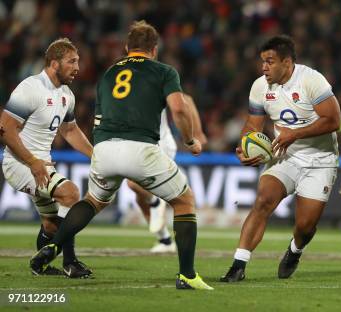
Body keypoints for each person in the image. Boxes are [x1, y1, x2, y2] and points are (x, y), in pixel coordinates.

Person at [30, 21, 213, 290]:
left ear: (127, 48)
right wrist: (190, 140)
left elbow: (99, 114)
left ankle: (53, 247)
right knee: (184, 201)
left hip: (104, 149)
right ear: (154, 49)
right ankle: (187, 275)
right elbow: (179, 108)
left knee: (93, 200)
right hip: (140, 148)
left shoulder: (107, 74)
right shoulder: (164, 71)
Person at [220, 35, 341, 282]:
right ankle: (238, 266)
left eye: (270, 61)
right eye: (262, 61)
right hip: (284, 156)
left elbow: (333, 120)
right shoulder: (259, 86)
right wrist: (245, 146)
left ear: (287, 62)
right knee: (263, 200)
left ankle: (295, 251)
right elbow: (252, 125)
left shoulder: (312, 80)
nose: (264, 67)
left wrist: (294, 134)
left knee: (305, 227)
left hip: (320, 160)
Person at [0, 38, 93, 278]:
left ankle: (39, 265)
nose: (77, 68)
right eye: (72, 61)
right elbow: (5, 129)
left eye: (78, 62)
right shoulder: (30, 88)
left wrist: (96, 156)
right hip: (20, 164)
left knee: (52, 226)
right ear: (54, 63)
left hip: (41, 165)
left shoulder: (67, 95)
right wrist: (33, 162)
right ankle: (70, 262)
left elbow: (69, 130)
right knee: (70, 193)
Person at [126, 93, 206, 253]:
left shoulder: (155, 76)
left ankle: (156, 201)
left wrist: (197, 133)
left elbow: (186, 101)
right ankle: (165, 239)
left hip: (159, 143)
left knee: (133, 183)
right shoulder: (121, 82)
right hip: (138, 144)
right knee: (140, 198)